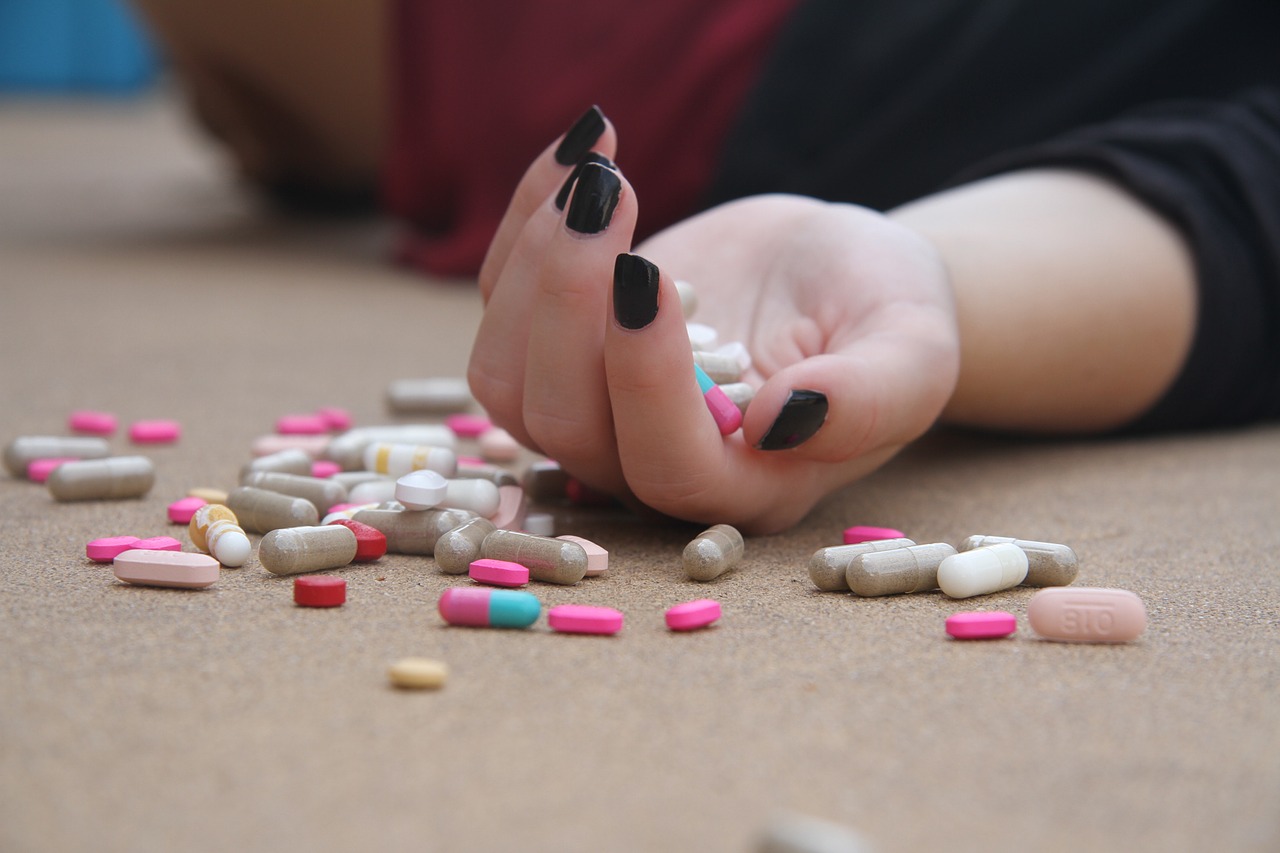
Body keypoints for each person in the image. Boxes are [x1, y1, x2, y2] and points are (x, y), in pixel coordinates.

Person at [134, 0, 1280, 533]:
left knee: (274, 110)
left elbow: (1238, 198)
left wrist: (921, 278)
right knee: (254, 107)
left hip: (692, 76)